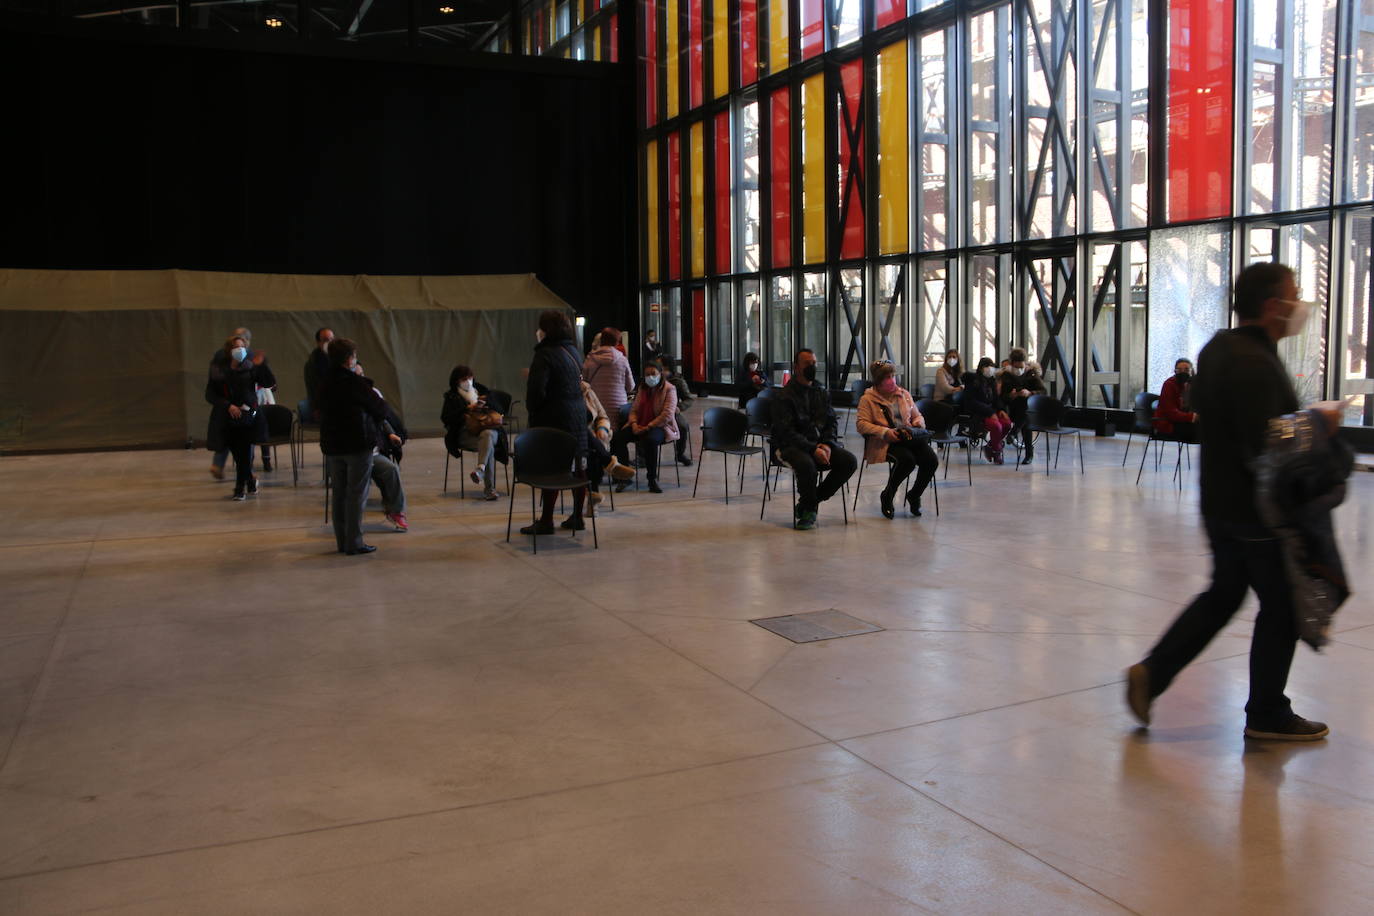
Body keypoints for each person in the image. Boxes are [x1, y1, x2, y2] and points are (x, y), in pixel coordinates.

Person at [1127, 262, 1338, 741]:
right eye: (1294, 296)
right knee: (1282, 605)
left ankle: (1153, 673)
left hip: (1219, 503)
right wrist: (1320, 425)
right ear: (1271, 306)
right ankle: (1267, 712)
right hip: (1256, 513)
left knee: (1224, 594)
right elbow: (1269, 441)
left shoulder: (1219, 349)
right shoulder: (1254, 362)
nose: (1300, 306)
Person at [769, 349, 858, 530]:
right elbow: (786, 432)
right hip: (789, 446)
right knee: (807, 464)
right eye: (807, 364)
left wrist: (826, 444)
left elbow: (831, 422)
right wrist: (813, 449)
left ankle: (811, 501)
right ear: (796, 367)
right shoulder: (784, 396)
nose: (813, 367)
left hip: (818, 444)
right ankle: (809, 511)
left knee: (849, 461)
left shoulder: (820, 391)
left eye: (814, 363)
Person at [317, 338, 387, 555]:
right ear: (349, 359)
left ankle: (342, 540)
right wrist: (363, 379)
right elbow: (380, 408)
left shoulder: (324, 382)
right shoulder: (355, 383)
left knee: (339, 493)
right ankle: (354, 542)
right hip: (357, 444)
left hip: (333, 445)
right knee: (356, 494)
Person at [524, 310, 591, 534]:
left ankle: (546, 520)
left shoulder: (544, 354)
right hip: (578, 415)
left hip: (553, 416)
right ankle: (578, 516)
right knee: (579, 466)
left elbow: (536, 392)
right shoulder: (573, 350)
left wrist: (533, 413)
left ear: (546, 330)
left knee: (552, 468)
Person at [856, 360, 939, 519]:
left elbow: (918, 415)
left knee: (931, 461)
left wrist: (917, 423)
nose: (892, 379)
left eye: (893, 375)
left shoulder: (904, 394)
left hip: (909, 437)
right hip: (885, 441)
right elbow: (861, 424)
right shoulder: (867, 399)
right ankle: (888, 495)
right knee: (907, 460)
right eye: (887, 377)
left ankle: (914, 495)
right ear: (878, 380)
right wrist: (885, 432)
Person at [205, 335, 276, 501]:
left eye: (242, 346)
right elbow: (210, 394)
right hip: (227, 417)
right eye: (236, 347)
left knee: (244, 451)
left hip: (248, 416)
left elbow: (269, 383)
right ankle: (250, 481)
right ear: (229, 351)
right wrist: (228, 405)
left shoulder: (251, 367)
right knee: (238, 453)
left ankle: (239, 488)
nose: (240, 350)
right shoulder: (219, 371)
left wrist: (262, 366)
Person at [610, 360, 679, 494]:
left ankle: (651, 479)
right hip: (639, 424)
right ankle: (624, 477)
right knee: (617, 438)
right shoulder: (642, 388)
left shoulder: (670, 389)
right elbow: (634, 410)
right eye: (647, 374)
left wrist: (648, 427)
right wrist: (634, 424)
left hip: (659, 426)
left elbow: (667, 414)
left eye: (653, 373)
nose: (650, 377)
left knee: (650, 441)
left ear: (660, 374)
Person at [440, 365, 505, 501]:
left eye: (470, 377)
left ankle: (480, 470)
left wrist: (485, 404)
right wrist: (466, 409)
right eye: (464, 378)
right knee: (488, 446)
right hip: (465, 435)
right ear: (457, 381)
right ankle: (489, 490)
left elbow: (499, 408)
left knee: (487, 437)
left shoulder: (482, 391)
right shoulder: (452, 396)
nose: (468, 381)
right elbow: (446, 418)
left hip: (487, 431)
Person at [581, 379, 636, 514]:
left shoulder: (588, 393)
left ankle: (593, 496)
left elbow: (602, 416)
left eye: (580, 376)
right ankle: (610, 465)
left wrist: (602, 428)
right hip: (570, 441)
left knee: (593, 449)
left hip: (594, 439)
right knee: (591, 448)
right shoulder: (560, 396)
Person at [962, 357, 1014, 464]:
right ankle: (996, 451)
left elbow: (996, 399)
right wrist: (989, 412)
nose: (990, 369)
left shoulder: (992, 381)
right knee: (997, 426)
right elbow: (970, 402)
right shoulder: (973, 381)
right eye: (987, 366)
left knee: (1007, 424)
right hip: (979, 413)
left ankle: (990, 446)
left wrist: (1001, 409)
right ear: (981, 368)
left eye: (991, 366)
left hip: (992, 411)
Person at [370, 393, 409, 532]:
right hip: (355, 454)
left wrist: (391, 433)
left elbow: (383, 420)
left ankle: (396, 512)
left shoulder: (371, 401)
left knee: (391, 469)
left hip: (373, 454)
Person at [583, 327, 636, 425]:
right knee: (616, 436)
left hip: (596, 405)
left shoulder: (590, 359)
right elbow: (630, 387)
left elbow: (584, 383)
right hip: (618, 407)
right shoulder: (622, 360)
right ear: (616, 342)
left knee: (600, 432)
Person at [1000, 347, 1045, 465]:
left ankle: (1014, 433)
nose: (1019, 370)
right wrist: (1012, 395)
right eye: (1017, 367)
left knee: (1027, 416)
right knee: (1026, 418)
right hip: (1012, 408)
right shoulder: (1006, 376)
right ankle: (1028, 452)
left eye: (1021, 367)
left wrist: (1030, 393)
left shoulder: (1032, 374)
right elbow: (1002, 396)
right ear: (1012, 364)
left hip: (1029, 407)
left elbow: (1043, 391)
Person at [1155, 357, 1199, 442]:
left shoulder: (1193, 385)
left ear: (1192, 371)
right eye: (1179, 370)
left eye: (1186, 370)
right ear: (1175, 372)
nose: (1183, 372)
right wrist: (1193, 416)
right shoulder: (1169, 385)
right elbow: (1171, 413)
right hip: (1168, 425)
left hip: (1182, 422)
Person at [662, 357, 694, 466]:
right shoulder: (653, 377)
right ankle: (642, 456)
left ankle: (680, 453)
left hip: (671, 411)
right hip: (654, 411)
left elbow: (689, 398)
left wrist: (679, 407)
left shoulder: (678, 381)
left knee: (683, 426)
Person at [304, 327, 334, 420]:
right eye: (325, 340)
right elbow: (314, 389)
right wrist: (316, 408)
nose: (330, 342)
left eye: (332, 339)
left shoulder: (338, 357)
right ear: (318, 342)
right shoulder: (313, 363)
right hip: (325, 406)